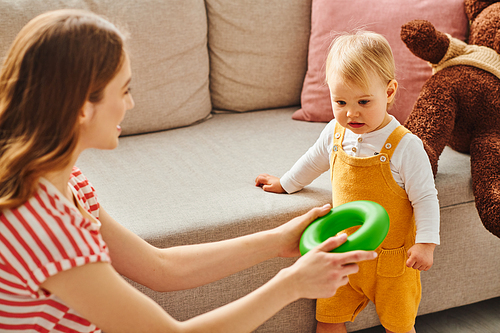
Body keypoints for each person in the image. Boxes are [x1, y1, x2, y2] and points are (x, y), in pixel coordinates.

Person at [0, 10, 378, 333]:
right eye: (124, 90)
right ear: (83, 107)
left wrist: (278, 241)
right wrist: (291, 285)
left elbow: (160, 268)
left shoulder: (64, 180)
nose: (130, 104)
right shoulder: (43, 224)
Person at [256, 31, 440, 333]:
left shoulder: (406, 147)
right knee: (327, 318)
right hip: (342, 253)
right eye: (340, 101)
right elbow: (313, 160)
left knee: (399, 325)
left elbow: (425, 198)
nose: (351, 112)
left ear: (390, 91)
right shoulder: (335, 132)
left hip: (391, 263)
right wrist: (285, 183)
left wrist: (426, 245)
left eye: (364, 101)